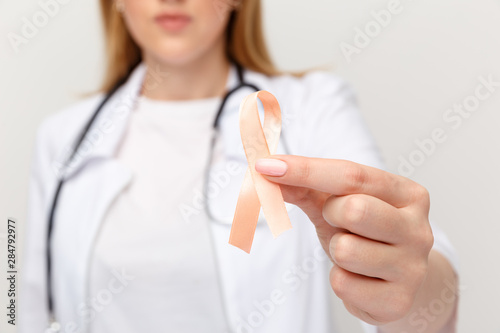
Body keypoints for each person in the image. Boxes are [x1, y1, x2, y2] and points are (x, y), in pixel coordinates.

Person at [19, 0, 459, 332]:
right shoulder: (64, 137)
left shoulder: (313, 108)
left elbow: (425, 284)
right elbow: (24, 305)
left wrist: (410, 288)